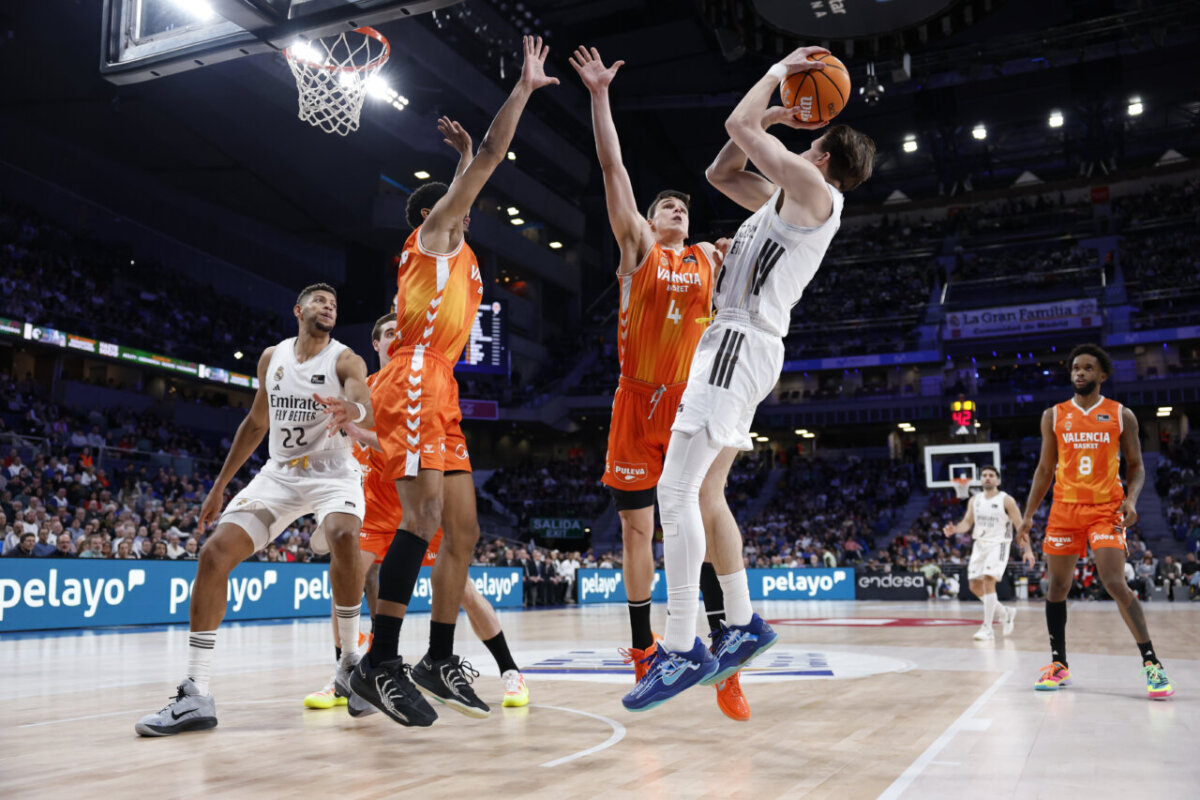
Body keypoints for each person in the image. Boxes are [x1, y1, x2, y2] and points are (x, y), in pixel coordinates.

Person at [623, 46, 875, 711]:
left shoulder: (816, 193)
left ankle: (682, 646)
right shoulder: (782, 200)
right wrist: (771, 120)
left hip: (739, 341)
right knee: (705, 492)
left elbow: (738, 126)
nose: (801, 144)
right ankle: (741, 623)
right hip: (737, 344)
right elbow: (721, 169)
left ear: (822, 156)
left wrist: (777, 76)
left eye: (810, 141)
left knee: (674, 490)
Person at [333, 37, 557, 726]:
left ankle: (436, 656)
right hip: (412, 377)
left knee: (463, 530)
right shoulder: (432, 237)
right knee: (422, 518)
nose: (472, 208)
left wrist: (461, 164)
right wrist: (522, 89)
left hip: (443, 385)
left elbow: (472, 174)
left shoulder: (460, 253)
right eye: (463, 202)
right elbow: (489, 160)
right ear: (442, 213)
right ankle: (380, 662)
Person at [569, 45, 748, 721]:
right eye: (666, 205)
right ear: (648, 220)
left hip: (689, 402)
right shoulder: (638, 248)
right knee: (637, 532)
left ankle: (724, 651)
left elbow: (769, 231)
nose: (676, 210)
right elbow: (613, 168)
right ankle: (646, 649)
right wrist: (599, 96)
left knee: (696, 516)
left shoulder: (709, 257)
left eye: (682, 207)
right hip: (634, 399)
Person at [134, 283, 374, 736]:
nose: (329, 307)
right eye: (320, 301)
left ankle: (348, 662)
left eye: (334, 304)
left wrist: (353, 411)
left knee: (344, 536)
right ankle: (196, 693)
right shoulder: (272, 358)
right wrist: (219, 486)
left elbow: (367, 407)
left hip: (333, 472)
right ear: (298, 310)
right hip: (279, 475)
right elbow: (257, 422)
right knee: (213, 554)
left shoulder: (346, 360)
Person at [305, 313, 529, 714]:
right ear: (376, 344)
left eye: (401, 333)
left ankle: (510, 670)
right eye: (389, 333)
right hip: (377, 508)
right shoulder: (364, 390)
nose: (396, 338)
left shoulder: (419, 384)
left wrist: (359, 434)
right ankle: (346, 675)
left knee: (463, 591)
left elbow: (407, 444)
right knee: (347, 581)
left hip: (419, 505)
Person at [1018, 344, 1174, 699]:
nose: (1080, 372)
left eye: (1088, 368)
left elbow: (1136, 466)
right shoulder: (1053, 415)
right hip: (1064, 510)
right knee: (1057, 586)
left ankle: (1152, 663)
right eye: (1076, 367)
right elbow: (1044, 469)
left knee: (1114, 582)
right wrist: (1027, 516)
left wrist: (1131, 500)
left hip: (1106, 509)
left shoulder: (1121, 414)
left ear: (1102, 375)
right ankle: (1059, 664)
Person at [942, 466, 1034, 640]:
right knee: (973, 586)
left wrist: (1028, 550)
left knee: (988, 580)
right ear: (981, 479)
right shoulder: (974, 500)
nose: (987, 478)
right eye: (984, 475)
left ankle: (987, 628)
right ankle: (1004, 612)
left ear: (997, 480)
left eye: (991, 475)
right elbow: (967, 523)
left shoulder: (1006, 500)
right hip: (979, 545)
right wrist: (955, 530)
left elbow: (1021, 527)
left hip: (998, 544)